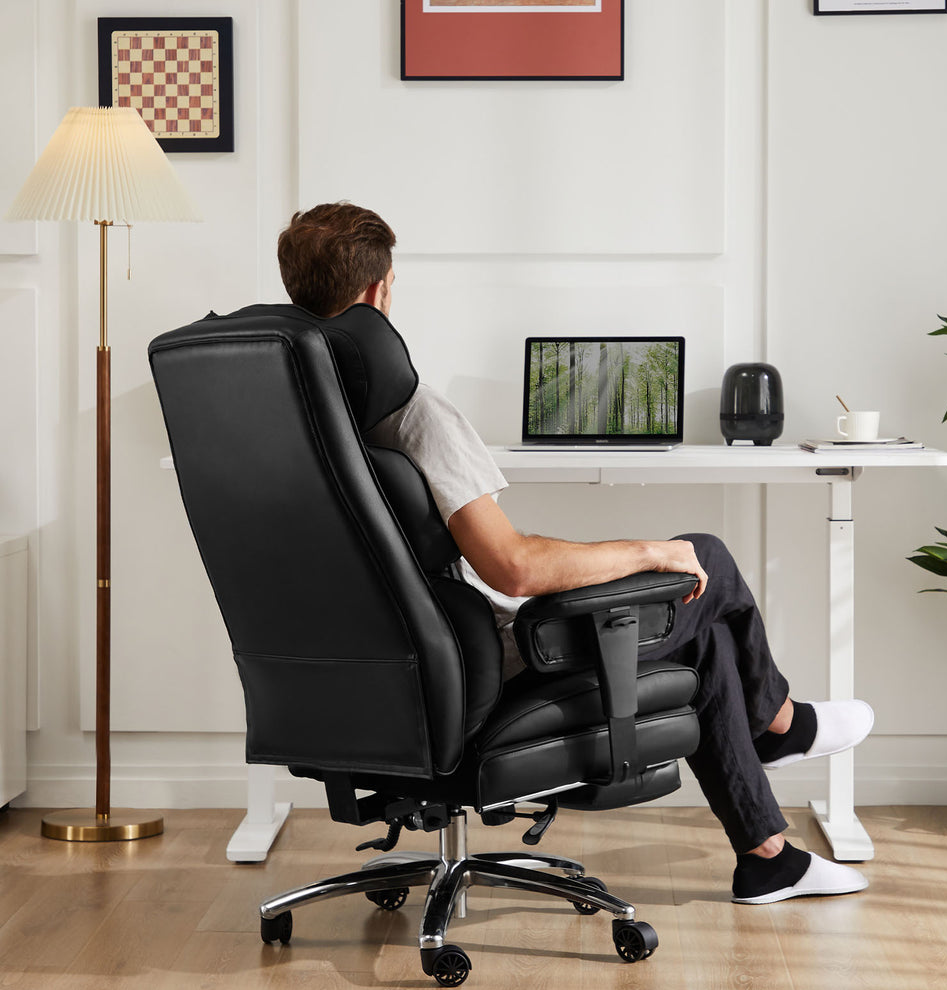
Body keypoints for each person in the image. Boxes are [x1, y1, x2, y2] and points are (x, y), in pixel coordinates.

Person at [276, 201, 875, 905]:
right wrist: (652, 549)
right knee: (700, 552)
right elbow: (516, 568)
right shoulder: (414, 415)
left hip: (370, 673)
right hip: (485, 661)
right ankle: (778, 720)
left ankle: (768, 856)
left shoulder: (292, 418)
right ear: (379, 293)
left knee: (707, 641)